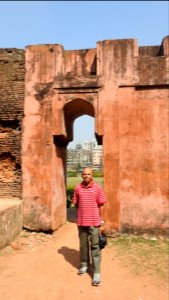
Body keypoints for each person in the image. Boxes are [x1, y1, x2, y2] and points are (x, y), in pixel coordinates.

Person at [73, 167, 106, 286]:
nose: (86, 176)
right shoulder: (77, 188)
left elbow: (101, 205)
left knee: (95, 247)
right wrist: (80, 216)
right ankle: (84, 265)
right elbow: (76, 204)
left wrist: (102, 222)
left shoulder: (97, 188)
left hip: (94, 222)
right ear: (82, 175)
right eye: (84, 174)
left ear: (92, 175)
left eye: (89, 174)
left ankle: (96, 272)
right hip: (82, 222)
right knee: (83, 246)